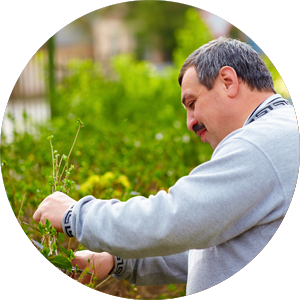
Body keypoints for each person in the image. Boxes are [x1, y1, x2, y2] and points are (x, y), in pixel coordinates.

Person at [33, 37, 300, 299]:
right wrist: (116, 261)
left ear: (228, 81)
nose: (190, 122)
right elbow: (219, 250)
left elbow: (174, 218)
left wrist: (74, 215)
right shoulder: (283, 132)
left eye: (192, 103)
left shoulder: (263, 142)